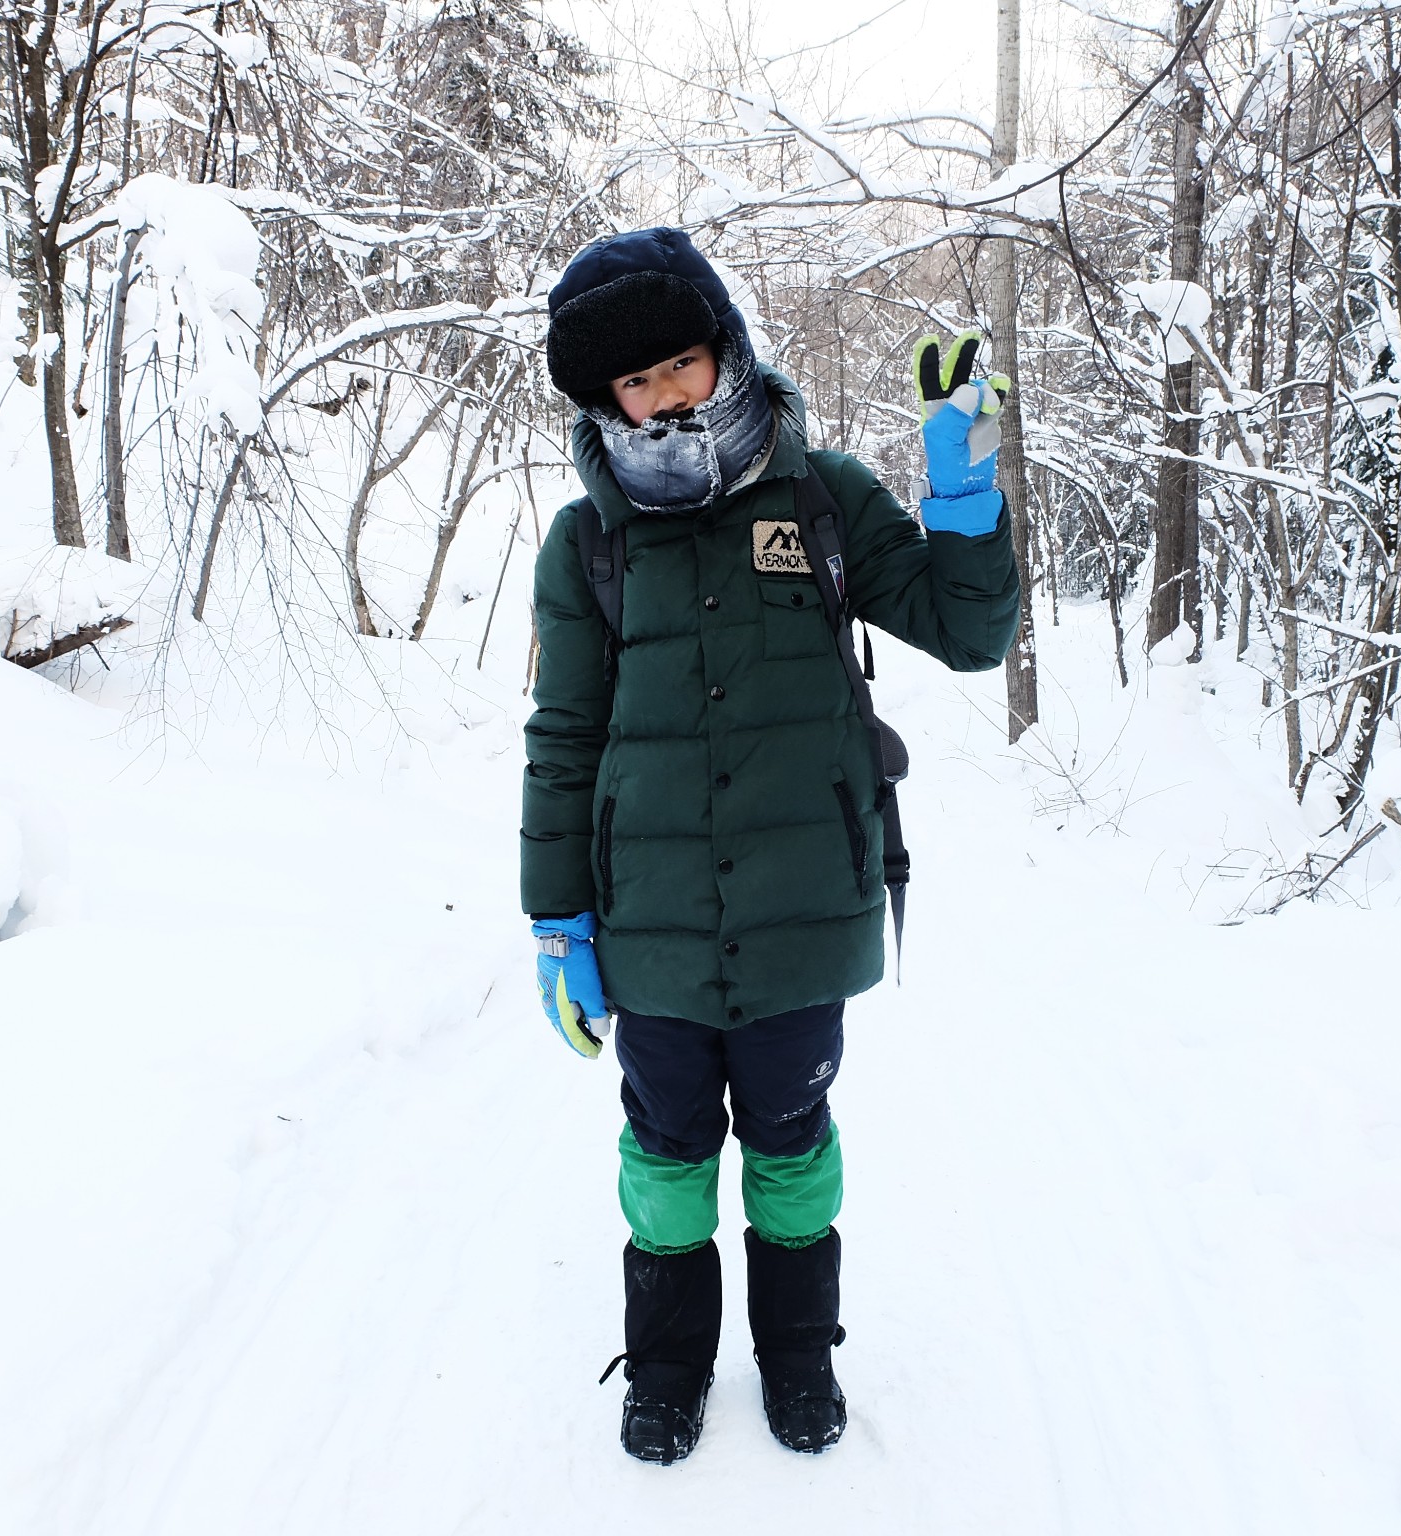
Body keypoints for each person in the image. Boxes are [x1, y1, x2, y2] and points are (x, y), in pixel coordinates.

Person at [520, 227, 1019, 1465]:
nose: (661, 400)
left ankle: (798, 1359)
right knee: (668, 1154)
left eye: (679, 364)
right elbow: (563, 737)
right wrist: (556, 917)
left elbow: (966, 635)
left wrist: (959, 493)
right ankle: (669, 1367)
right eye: (631, 384)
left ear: (725, 354)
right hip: (653, 933)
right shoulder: (587, 545)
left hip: (804, 916)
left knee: (791, 1141)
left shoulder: (818, 496)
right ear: (604, 399)